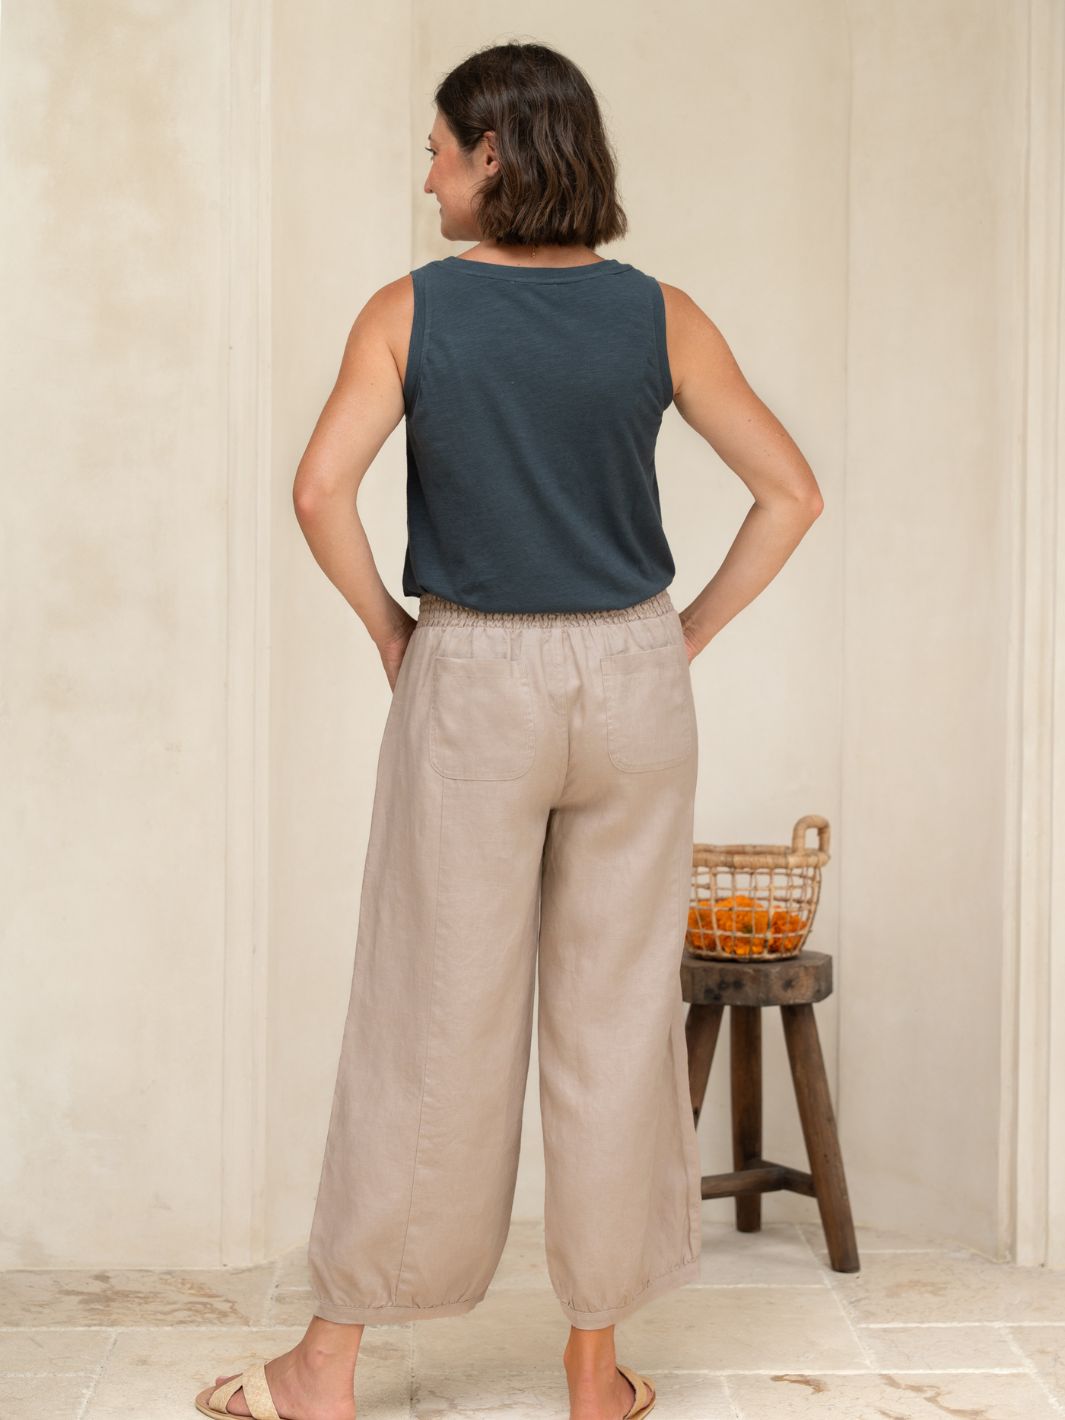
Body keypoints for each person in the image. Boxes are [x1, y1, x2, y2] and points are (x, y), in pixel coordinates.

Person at [194, 39, 822, 1420]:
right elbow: (789, 491)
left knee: (429, 1020)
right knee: (612, 1021)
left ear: (494, 155)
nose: (423, 180)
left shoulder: (408, 312)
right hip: (633, 684)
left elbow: (318, 493)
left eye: (434, 151)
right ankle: (594, 1376)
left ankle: (327, 1365)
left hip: (472, 677)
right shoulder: (660, 314)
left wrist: (388, 635)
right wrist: (683, 633)